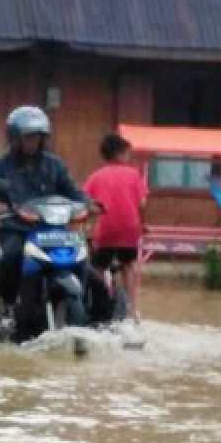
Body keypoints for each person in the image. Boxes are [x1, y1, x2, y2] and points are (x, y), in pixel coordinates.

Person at [0, 106, 89, 319]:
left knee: (83, 260)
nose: (32, 142)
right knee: (12, 255)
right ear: (15, 138)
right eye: (27, 137)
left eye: (37, 137)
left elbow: (74, 192)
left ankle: (98, 313)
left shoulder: (55, 165)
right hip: (15, 229)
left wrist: (87, 204)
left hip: (53, 230)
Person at [83, 133, 148, 321]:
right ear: (120, 154)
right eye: (128, 153)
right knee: (128, 265)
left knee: (99, 267)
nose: (129, 157)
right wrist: (143, 225)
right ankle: (131, 311)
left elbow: (86, 202)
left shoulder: (96, 177)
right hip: (130, 228)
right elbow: (142, 203)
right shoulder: (134, 174)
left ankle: (102, 304)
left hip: (105, 229)